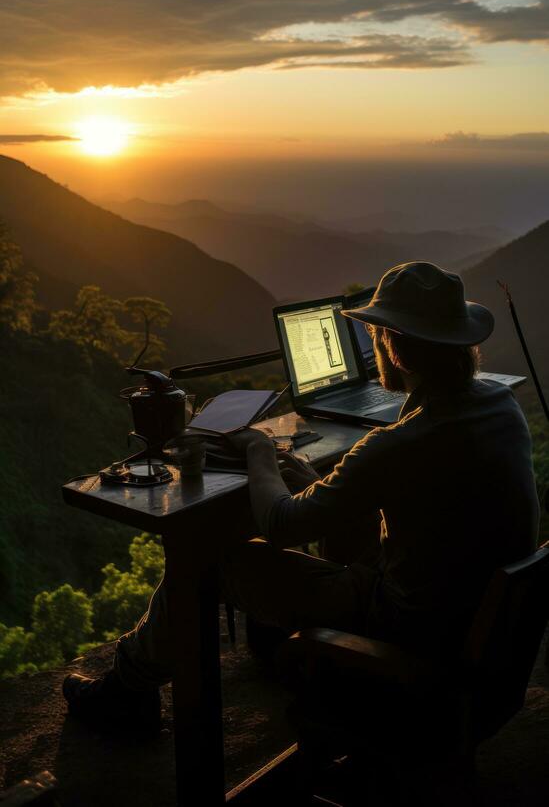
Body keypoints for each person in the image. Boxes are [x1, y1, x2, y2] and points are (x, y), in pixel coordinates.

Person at [63, 261, 540, 731]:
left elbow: (280, 526)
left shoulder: (400, 443)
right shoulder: (501, 408)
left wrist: (259, 450)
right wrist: (316, 479)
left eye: (378, 337)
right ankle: (269, 640)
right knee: (348, 523)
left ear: (396, 349)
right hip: (476, 625)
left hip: (413, 639)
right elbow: (425, 497)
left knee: (210, 563)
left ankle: (127, 690)